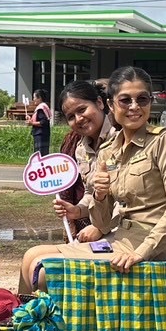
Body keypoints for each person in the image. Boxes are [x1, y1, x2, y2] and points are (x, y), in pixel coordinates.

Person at [19, 66, 166, 291]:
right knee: (31, 256)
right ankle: (22, 321)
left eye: (142, 99)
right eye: (125, 100)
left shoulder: (163, 142)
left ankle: (36, 322)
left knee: (41, 271)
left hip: (148, 243)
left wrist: (141, 252)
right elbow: (101, 222)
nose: (134, 107)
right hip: (118, 236)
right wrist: (99, 196)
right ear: (111, 105)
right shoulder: (109, 150)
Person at [51, 79, 117, 243]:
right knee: (32, 258)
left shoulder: (121, 139)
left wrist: (100, 228)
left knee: (42, 265)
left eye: (82, 110)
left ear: (100, 103)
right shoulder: (80, 147)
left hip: (123, 231)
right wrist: (77, 210)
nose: (78, 119)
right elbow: (91, 192)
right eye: (71, 117)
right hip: (97, 228)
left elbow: (128, 198)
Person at [26, 88, 52, 157]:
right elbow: (39, 120)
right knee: (42, 155)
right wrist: (30, 119)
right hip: (42, 134)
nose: (33, 99)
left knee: (40, 155)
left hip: (41, 134)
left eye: (34, 97)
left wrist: (31, 123)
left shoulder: (41, 108)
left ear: (39, 98)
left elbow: (43, 122)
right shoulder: (42, 107)